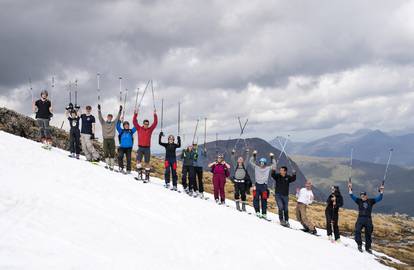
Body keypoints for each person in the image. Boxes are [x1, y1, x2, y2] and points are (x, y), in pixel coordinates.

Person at [348, 182, 384, 253]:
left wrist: (381, 192)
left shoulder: (371, 201)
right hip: (360, 218)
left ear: (366, 195)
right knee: (357, 231)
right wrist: (350, 188)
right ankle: (359, 245)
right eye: (361, 195)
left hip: (368, 219)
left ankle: (368, 248)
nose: (362, 197)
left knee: (368, 234)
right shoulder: (359, 201)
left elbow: (379, 198)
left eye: (363, 195)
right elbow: (351, 195)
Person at [249, 151, 276, 219]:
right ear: (259, 163)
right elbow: (250, 162)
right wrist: (254, 155)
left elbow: (274, 165)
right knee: (256, 198)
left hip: (264, 186)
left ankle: (264, 213)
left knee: (264, 200)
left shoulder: (267, 168)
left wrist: (272, 157)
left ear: (265, 163)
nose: (262, 164)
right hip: (257, 185)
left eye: (263, 163)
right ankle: (257, 211)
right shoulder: (256, 167)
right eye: (261, 162)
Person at [132, 109, 158, 180]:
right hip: (140, 148)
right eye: (145, 124)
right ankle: (139, 175)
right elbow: (134, 122)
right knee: (138, 161)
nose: (146, 125)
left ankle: (147, 176)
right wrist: (135, 114)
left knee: (147, 162)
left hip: (147, 148)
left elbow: (155, 123)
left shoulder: (150, 129)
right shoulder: (139, 128)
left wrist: (155, 114)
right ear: (143, 124)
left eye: (147, 124)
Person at [98, 104, 122, 170]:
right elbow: (100, 117)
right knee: (105, 151)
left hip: (111, 139)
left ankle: (112, 166)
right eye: (108, 117)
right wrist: (99, 110)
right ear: (107, 117)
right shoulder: (103, 123)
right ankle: (107, 164)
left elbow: (118, 117)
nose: (109, 118)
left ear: (111, 118)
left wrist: (120, 111)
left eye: (111, 117)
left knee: (112, 152)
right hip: (105, 139)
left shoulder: (114, 123)